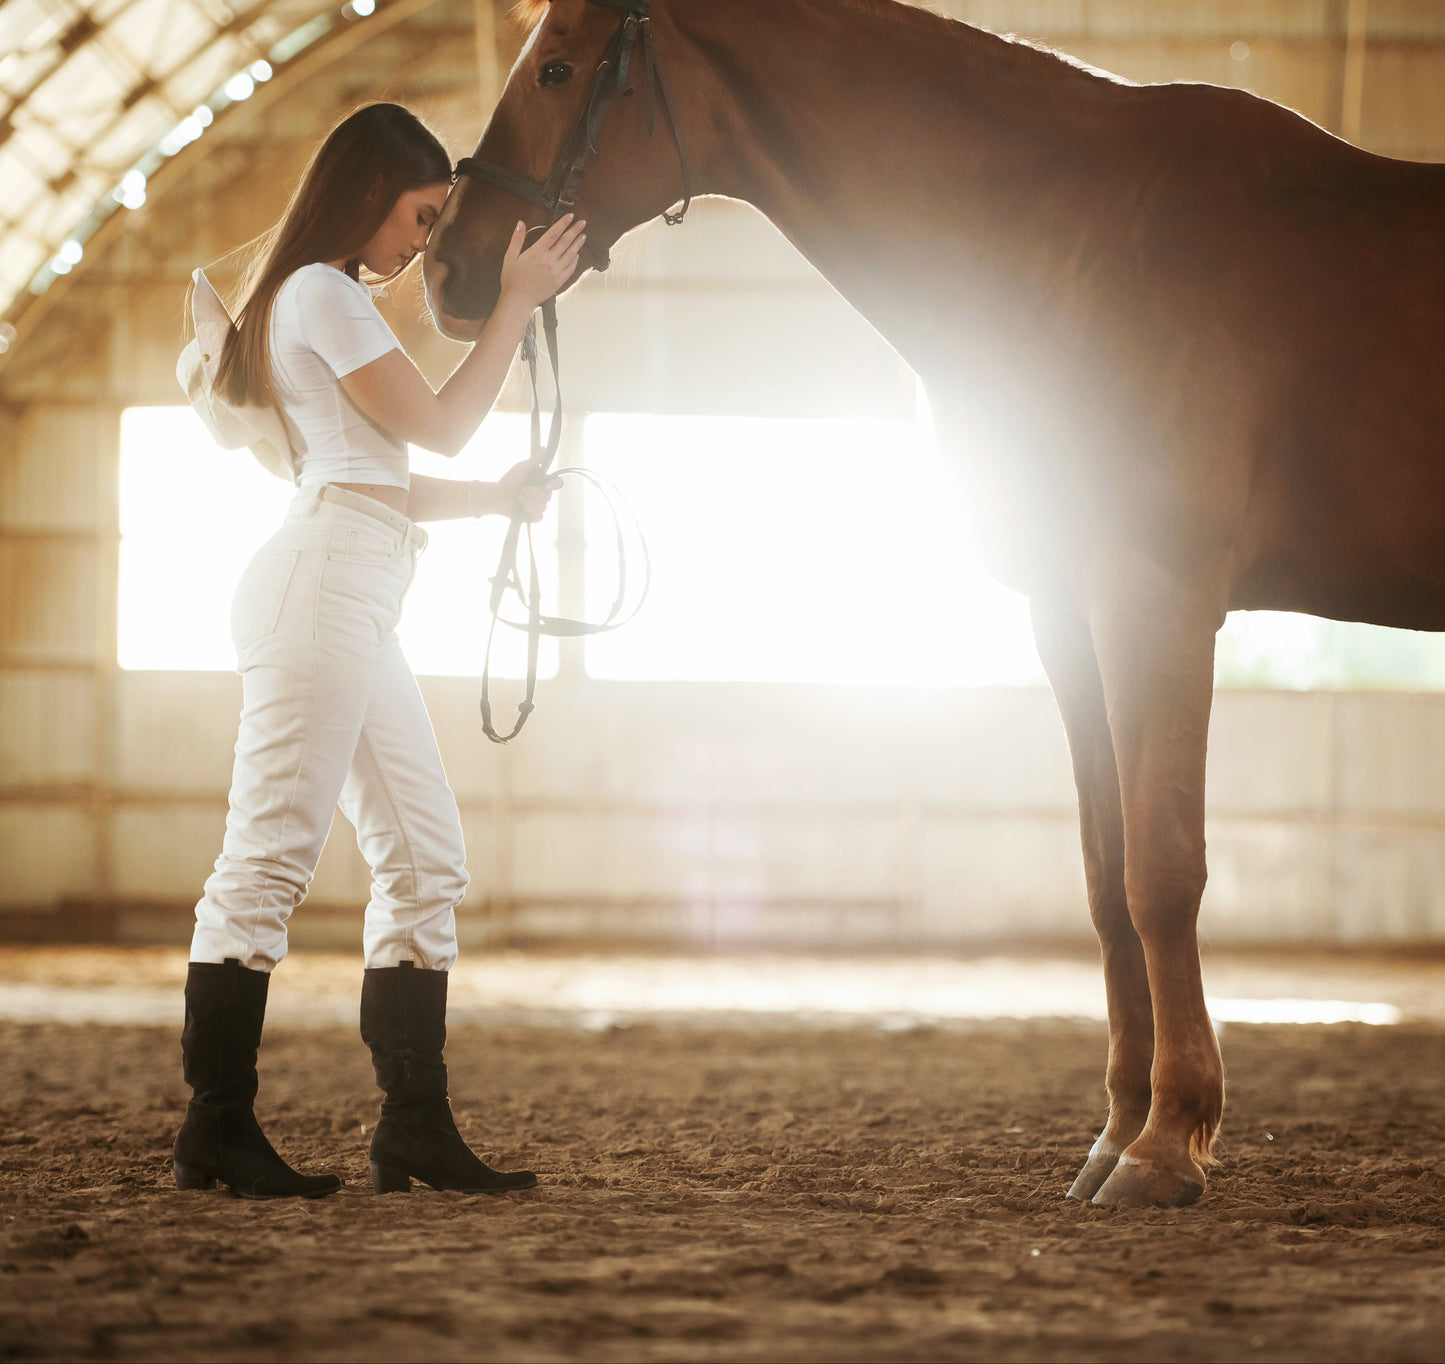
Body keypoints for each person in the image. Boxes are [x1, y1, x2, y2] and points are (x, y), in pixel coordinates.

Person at [172, 102, 585, 1199]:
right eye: (419, 214)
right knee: (267, 854)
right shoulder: (318, 292)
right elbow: (440, 424)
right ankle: (214, 1127)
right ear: (366, 197)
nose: (421, 241)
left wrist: (496, 498)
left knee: (426, 851)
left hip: (353, 577)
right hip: (324, 587)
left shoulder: (325, 299)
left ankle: (413, 1123)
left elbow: (381, 471)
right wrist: (516, 300)